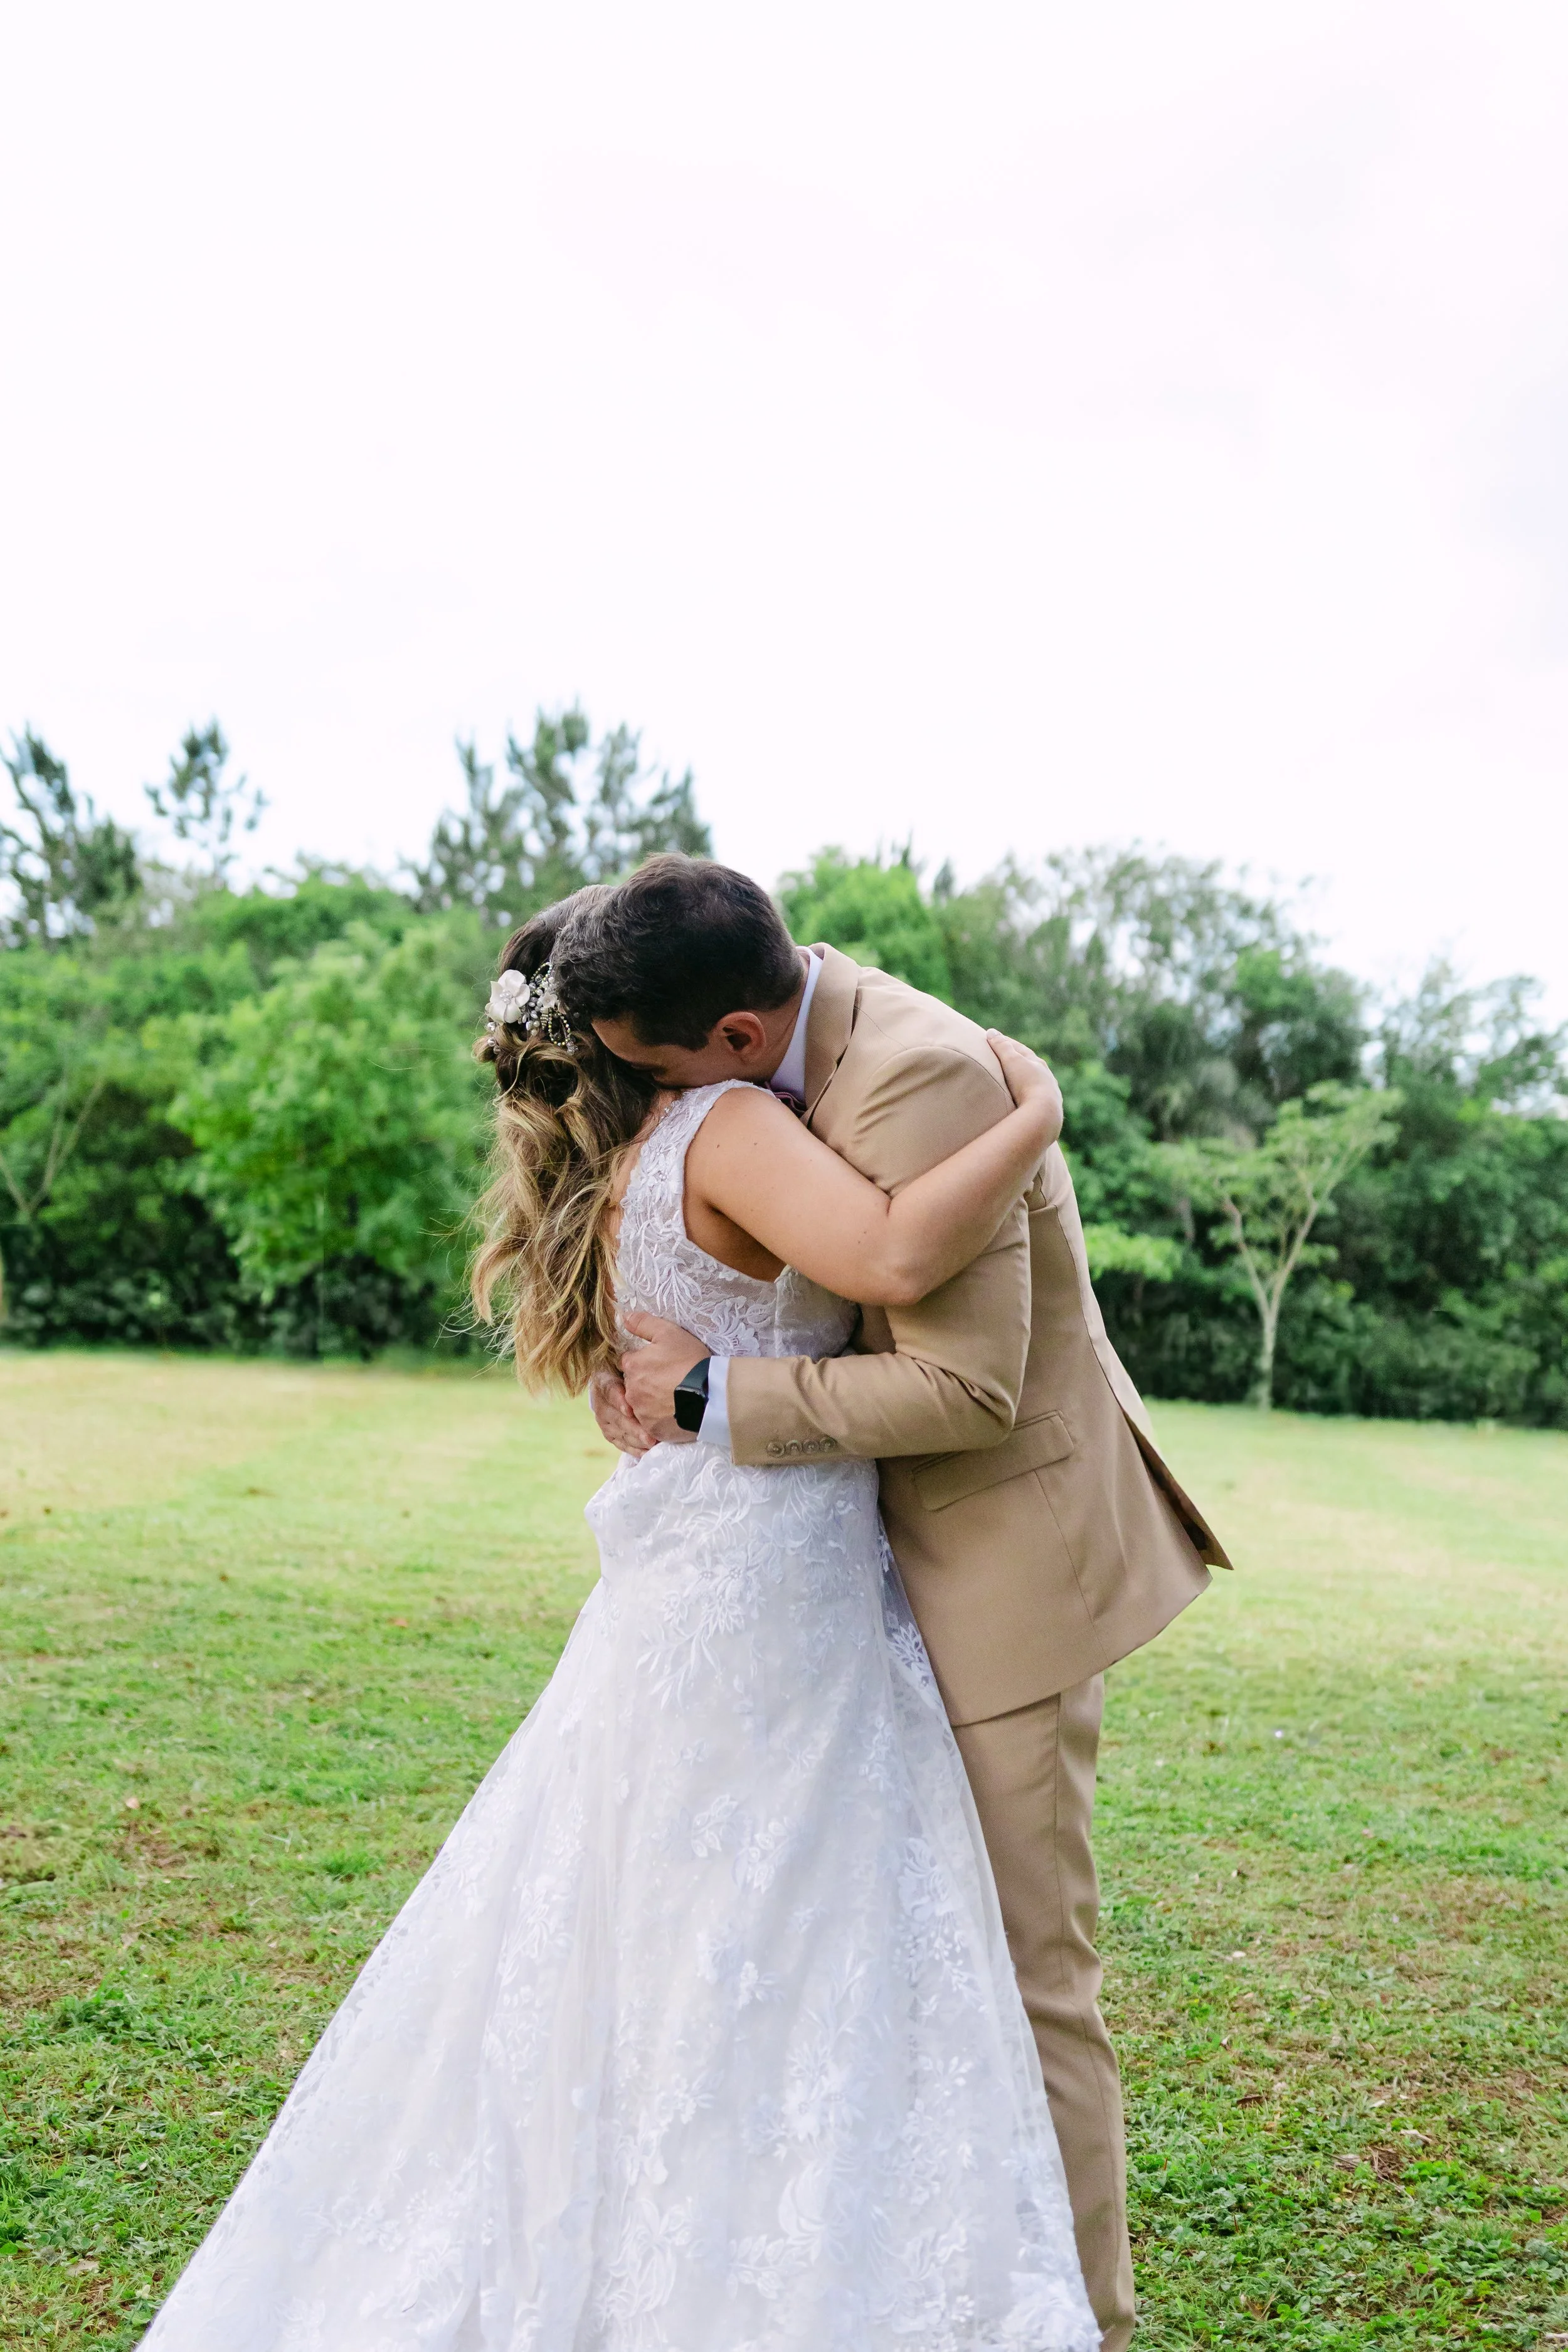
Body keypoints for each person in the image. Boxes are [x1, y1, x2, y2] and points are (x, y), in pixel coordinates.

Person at [139, 894, 1103, 2351]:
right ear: (665, 1044)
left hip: (701, 1580)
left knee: (666, 1918)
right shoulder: (724, 1123)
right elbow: (895, 1261)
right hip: (768, 1586)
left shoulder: (634, 1155)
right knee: (789, 1917)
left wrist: (697, 1390)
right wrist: (1034, 1119)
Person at [558, 857, 1230, 2352]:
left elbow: (964, 1385)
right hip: (826, 1577)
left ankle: (1085, 2322)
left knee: (1023, 1969)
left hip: (991, 1568)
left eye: (657, 1070)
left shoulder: (920, 1080)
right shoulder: (752, 1080)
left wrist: (701, 1389)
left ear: (735, 1034)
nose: (647, 1104)